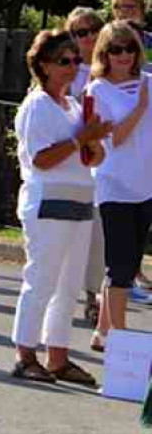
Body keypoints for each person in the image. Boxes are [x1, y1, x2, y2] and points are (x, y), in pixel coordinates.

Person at [9, 29, 109, 385]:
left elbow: (89, 155)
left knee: (68, 287)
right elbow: (42, 160)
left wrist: (94, 145)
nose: (72, 66)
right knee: (42, 280)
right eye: (63, 61)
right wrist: (79, 140)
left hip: (80, 201)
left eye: (76, 60)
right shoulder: (36, 105)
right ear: (44, 66)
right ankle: (25, 354)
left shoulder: (75, 107)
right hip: (48, 201)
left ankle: (59, 356)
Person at [88, 22, 152, 352]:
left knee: (126, 260)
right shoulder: (97, 91)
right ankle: (120, 337)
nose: (124, 55)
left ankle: (102, 331)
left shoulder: (149, 82)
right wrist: (141, 107)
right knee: (121, 265)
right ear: (104, 53)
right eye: (116, 49)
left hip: (146, 185)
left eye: (129, 48)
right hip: (115, 186)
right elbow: (117, 138)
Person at [65, 7, 106, 326]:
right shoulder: (66, 69)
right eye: (80, 32)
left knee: (97, 232)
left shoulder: (117, 63)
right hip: (70, 159)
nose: (89, 37)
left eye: (94, 29)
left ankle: (93, 296)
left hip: (105, 161)